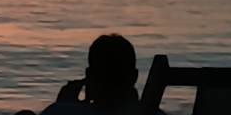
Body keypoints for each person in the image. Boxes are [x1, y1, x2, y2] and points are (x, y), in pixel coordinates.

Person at [34, 34, 162, 114]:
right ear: (134, 77)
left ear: (89, 76)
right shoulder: (154, 113)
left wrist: (63, 104)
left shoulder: (62, 111)